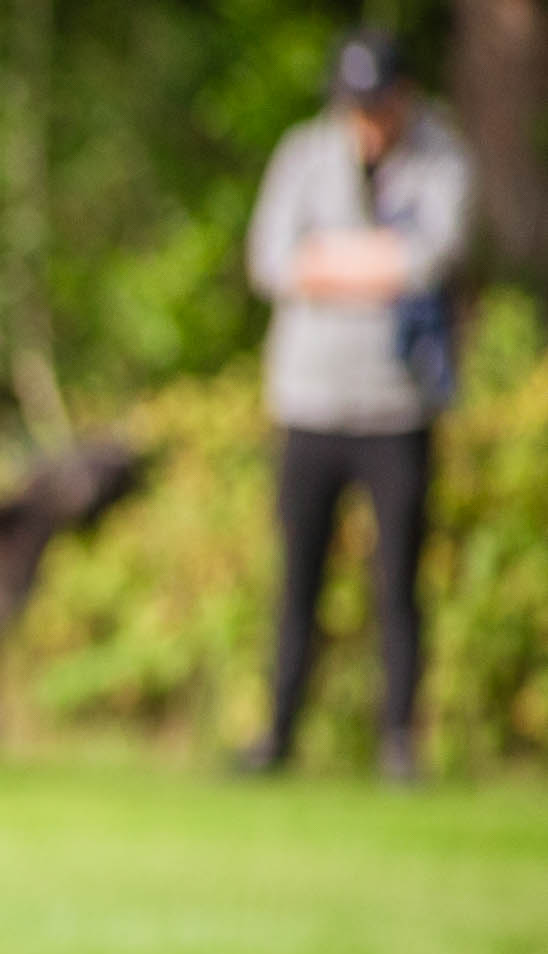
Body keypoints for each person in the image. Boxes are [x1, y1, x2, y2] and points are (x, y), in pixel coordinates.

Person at [238, 27, 471, 783]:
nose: (366, 120)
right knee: (297, 577)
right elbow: (271, 260)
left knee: (398, 582)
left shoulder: (443, 157)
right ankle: (277, 735)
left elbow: (429, 260)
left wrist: (328, 261)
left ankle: (399, 742)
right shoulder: (305, 153)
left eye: (378, 104)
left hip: (397, 407)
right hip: (307, 399)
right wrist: (374, 266)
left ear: (404, 97)